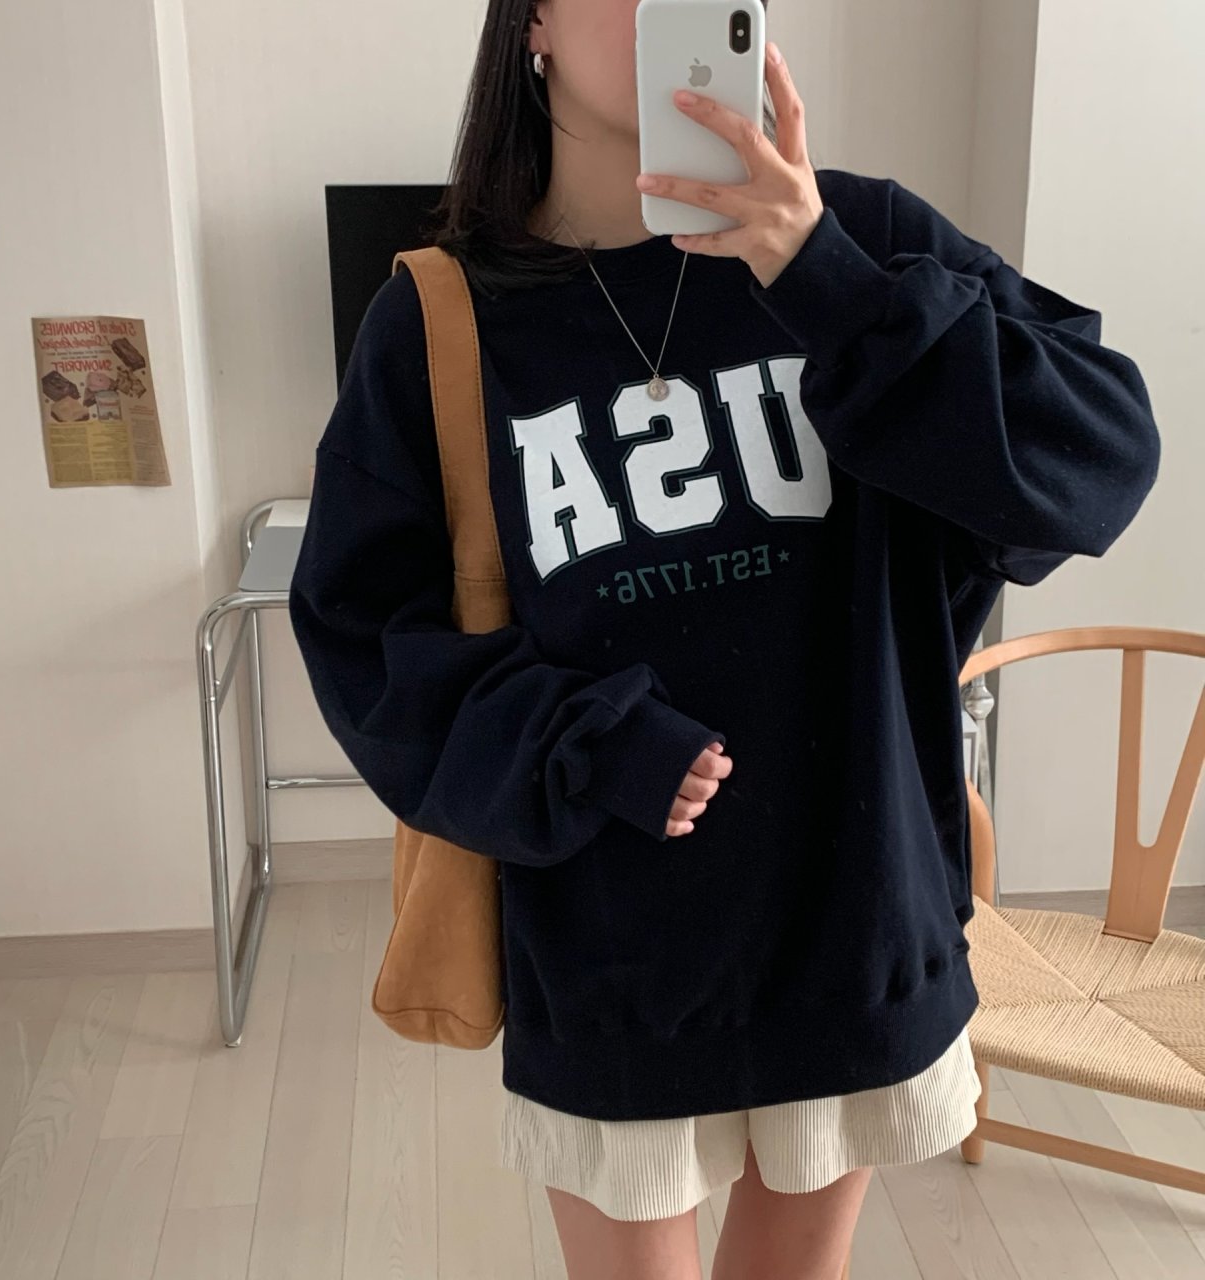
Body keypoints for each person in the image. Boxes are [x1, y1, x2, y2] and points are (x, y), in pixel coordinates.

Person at [288, 2, 1162, 1276]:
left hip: (849, 919)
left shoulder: (860, 241)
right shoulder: (442, 317)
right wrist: (584, 744)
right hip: (610, 947)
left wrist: (823, 278)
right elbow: (363, 633)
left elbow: (1096, 457)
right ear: (531, 23)